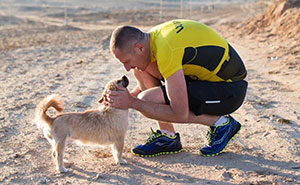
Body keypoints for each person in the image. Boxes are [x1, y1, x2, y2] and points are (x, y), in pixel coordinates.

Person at [105, 19, 248, 157]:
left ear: (139, 47)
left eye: (127, 61)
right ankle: (168, 136)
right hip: (207, 80)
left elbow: (180, 113)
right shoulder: (153, 38)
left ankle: (222, 124)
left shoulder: (167, 49)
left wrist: (132, 102)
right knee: (140, 70)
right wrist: (124, 97)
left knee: (147, 100)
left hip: (230, 90)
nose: (127, 68)